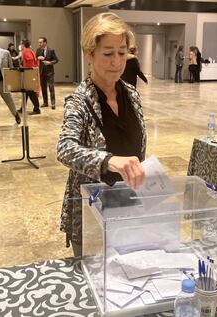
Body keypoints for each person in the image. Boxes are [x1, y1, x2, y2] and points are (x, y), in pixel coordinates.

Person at [57, 12, 146, 257]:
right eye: (108, 53)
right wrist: (107, 160)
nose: (116, 61)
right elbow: (65, 148)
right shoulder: (80, 100)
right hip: (93, 211)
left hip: (128, 205)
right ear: (89, 54)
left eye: (122, 52)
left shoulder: (131, 93)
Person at [36, 36, 58, 109]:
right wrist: (37, 58)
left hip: (50, 72)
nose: (39, 44)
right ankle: (45, 102)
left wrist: (49, 62)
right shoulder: (38, 50)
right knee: (43, 88)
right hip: (41, 72)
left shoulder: (51, 50)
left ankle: (53, 103)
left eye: (40, 42)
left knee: (51, 87)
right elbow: (35, 58)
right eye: (39, 42)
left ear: (45, 42)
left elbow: (56, 60)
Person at [21, 39, 40, 115]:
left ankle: (37, 109)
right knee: (25, 92)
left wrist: (27, 70)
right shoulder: (30, 50)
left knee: (31, 92)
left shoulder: (26, 51)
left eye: (21, 44)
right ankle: (22, 108)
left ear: (23, 44)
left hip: (29, 74)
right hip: (30, 73)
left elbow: (31, 60)